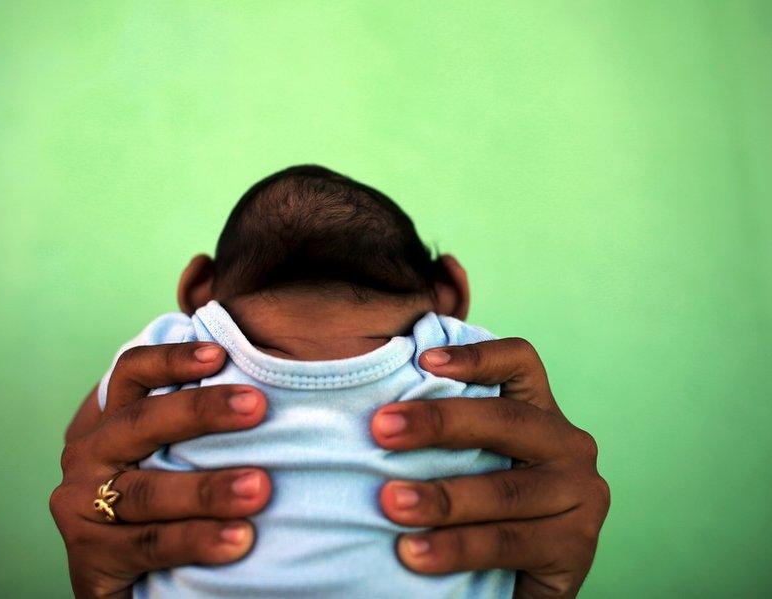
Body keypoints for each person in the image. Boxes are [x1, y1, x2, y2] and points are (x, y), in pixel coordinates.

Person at [50, 167, 610, 598]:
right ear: (451, 294)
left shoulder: (172, 347)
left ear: (200, 287)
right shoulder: (465, 357)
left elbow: (84, 452)